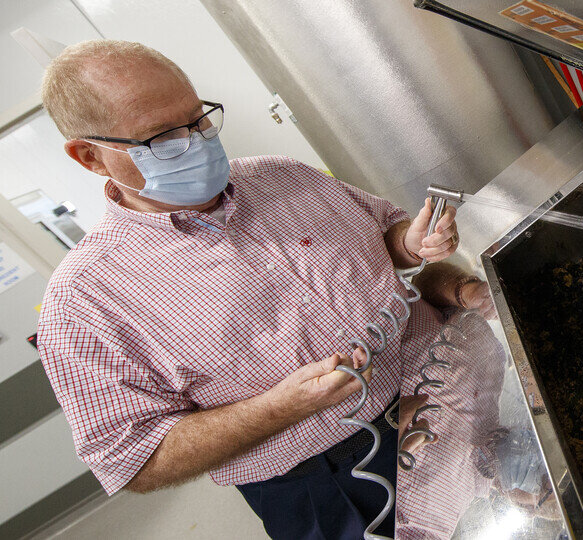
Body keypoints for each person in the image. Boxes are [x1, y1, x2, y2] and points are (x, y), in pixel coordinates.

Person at [36, 39, 493, 539]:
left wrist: (409, 243)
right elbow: (133, 458)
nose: (196, 142)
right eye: (162, 138)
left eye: (199, 119)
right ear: (90, 157)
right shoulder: (81, 301)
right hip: (339, 480)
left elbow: (384, 240)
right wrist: (284, 406)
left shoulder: (282, 175)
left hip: (463, 388)